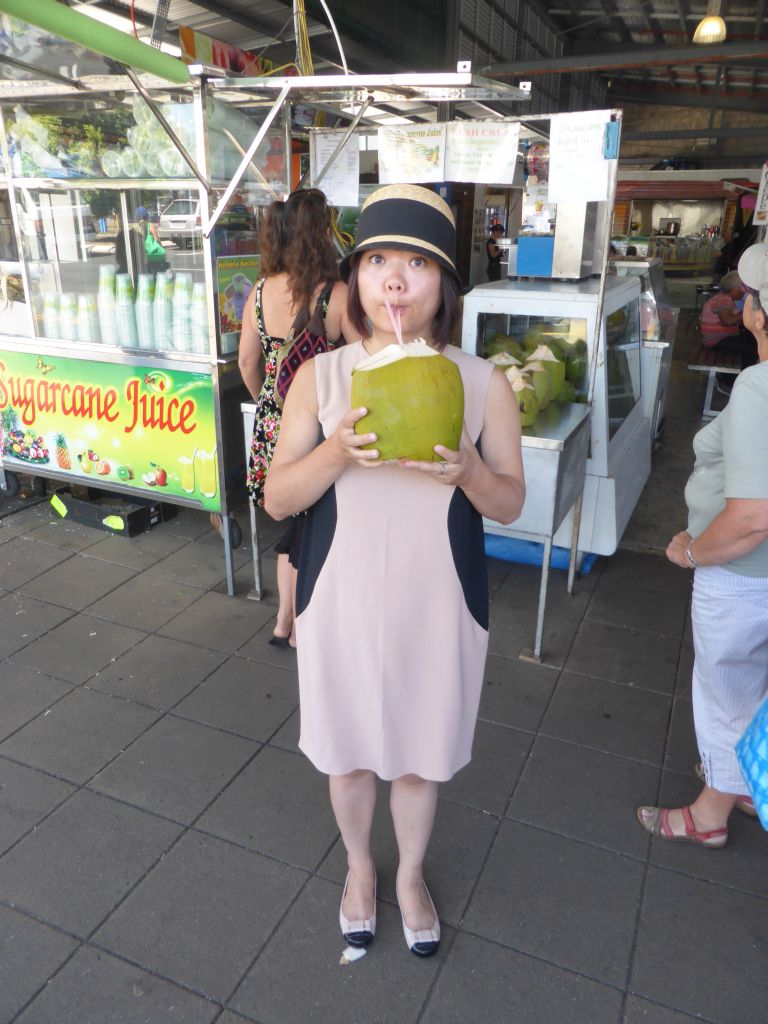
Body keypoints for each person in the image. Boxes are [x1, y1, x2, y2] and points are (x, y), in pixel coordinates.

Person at [264, 184, 525, 954]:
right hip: (339, 595)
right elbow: (279, 497)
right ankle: (359, 868)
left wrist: (471, 473)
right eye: (379, 260)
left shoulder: (482, 383)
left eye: (418, 263)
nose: (396, 280)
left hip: (436, 599)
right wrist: (336, 451)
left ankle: (408, 872)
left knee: (418, 753)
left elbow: (508, 503)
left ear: (443, 282)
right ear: (357, 279)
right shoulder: (323, 378)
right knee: (345, 751)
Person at [637, 242, 768, 848]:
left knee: (724, 687)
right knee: (753, 681)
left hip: (745, 578)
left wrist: (689, 553)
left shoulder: (760, 391)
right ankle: (745, 779)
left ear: (758, 314)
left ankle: (711, 810)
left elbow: (750, 519)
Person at [240, 188, 350, 647]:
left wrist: (272, 406)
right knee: (312, 523)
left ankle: (283, 618)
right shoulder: (336, 295)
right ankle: (303, 622)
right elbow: (364, 359)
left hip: (270, 422)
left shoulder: (259, 291)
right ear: (321, 235)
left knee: (289, 519)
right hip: (319, 428)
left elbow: (249, 362)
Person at [700, 269, 758, 369]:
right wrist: (746, 313)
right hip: (717, 340)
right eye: (742, 289)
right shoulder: (723, 299)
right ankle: (731, 382)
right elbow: (728, 321)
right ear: (735, 289)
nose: (744, 292)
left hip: (718, 339)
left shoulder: (722, 297)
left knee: (750, 341)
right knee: (751, 351)